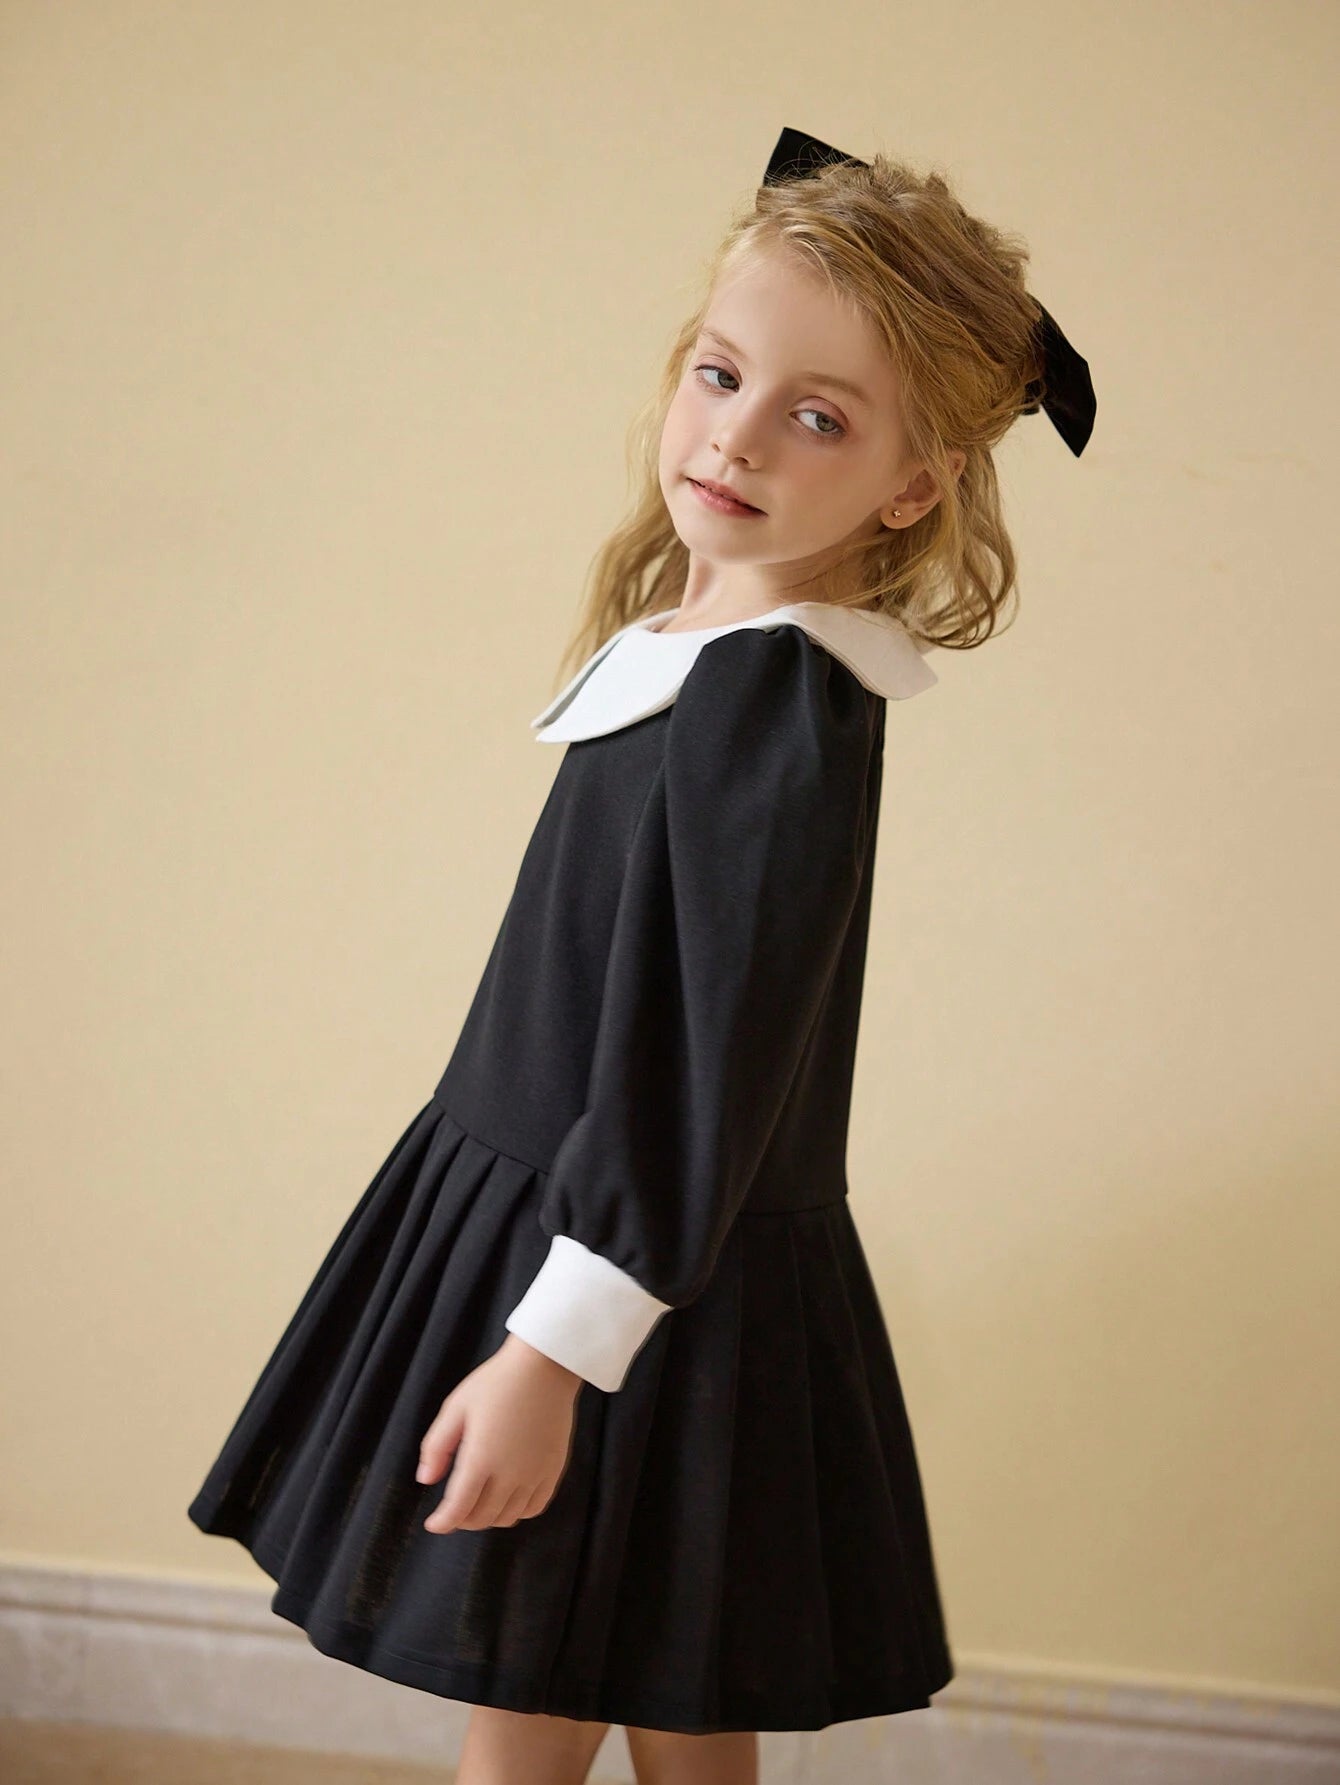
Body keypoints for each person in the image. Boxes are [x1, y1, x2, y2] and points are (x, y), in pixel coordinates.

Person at [188, 125, 1094, 1785]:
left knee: (536, 1706)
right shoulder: (714, 652)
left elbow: (703, 1060)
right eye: (721, 374)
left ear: (913, 484)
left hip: (618, 1266)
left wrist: (550, 1353)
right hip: (629, 1247)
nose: (735, 433)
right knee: (674, 1695)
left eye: (818, 416)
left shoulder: (772, 698)